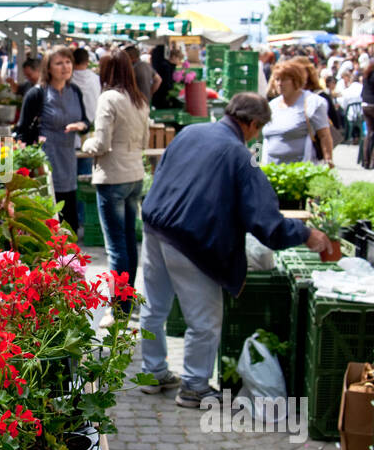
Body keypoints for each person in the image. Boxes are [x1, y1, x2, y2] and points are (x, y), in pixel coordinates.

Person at [139, 93, 333, 407]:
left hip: (155, 224)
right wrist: (306, 233)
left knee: (154, 307)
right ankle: (194, 386)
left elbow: (163, 176)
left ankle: (152, 372)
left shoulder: (192, 131)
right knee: (204, 320)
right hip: (191, 238)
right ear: (253, 125)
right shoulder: (239, 154)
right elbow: (266, 221)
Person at [81, 49, 149, 286]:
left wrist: (86, 143)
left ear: (106, 71)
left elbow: (101, 143)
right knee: (130, 240)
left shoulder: (108, 98)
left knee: (116, 246)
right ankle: (127, 297)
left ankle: (119, 307)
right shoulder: (139, 100)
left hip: (112, 177)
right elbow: (145, 142)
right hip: (135, 174)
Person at [14, 43, 90, 232]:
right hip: (44, 164)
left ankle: (68, 258)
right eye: (59, 63)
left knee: (69, 219)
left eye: (67, 62)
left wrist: (81, 126)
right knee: (48, 219)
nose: (65, 67)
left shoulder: (75, 92)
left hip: (69, 161)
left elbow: (86, 121)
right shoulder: (37, 93)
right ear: (48, 68)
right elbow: (22, 130)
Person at [262, 61, 333, 166]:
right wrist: (255, 165)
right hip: (271, 169)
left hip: (300, 169)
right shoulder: (271, 106)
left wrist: (328, 162)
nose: (280, 84)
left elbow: (324, 135)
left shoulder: (312, 102)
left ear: (296, 80)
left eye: (284, 79)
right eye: (277, 80)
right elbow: (260, 140)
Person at [150, 42, 176, 109]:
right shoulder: (165, 65)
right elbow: (167, 80)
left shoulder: (155, 63)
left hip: (157, 93)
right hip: (164, 92)